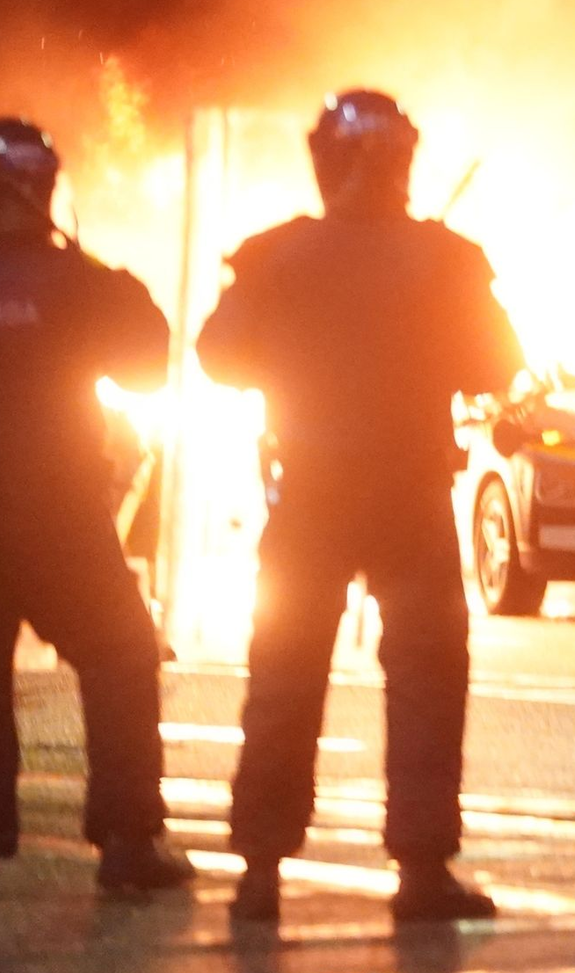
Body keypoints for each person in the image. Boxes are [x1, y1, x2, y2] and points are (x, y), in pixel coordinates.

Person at [197, 90, 525, 923]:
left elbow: (220, 358)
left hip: (308, 496)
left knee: (285, 672)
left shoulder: (276, 256)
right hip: (409, 495)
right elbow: (496, 363)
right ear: (403, 163)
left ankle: (261, 870)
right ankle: (420, 869)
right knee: (425, 677)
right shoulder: (446, 258)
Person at [0, 116, 194, 891]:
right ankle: (126, 839)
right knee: (120, 653)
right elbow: (148, 360)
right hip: (57, 514)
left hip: (52, 509)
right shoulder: (75, 282)